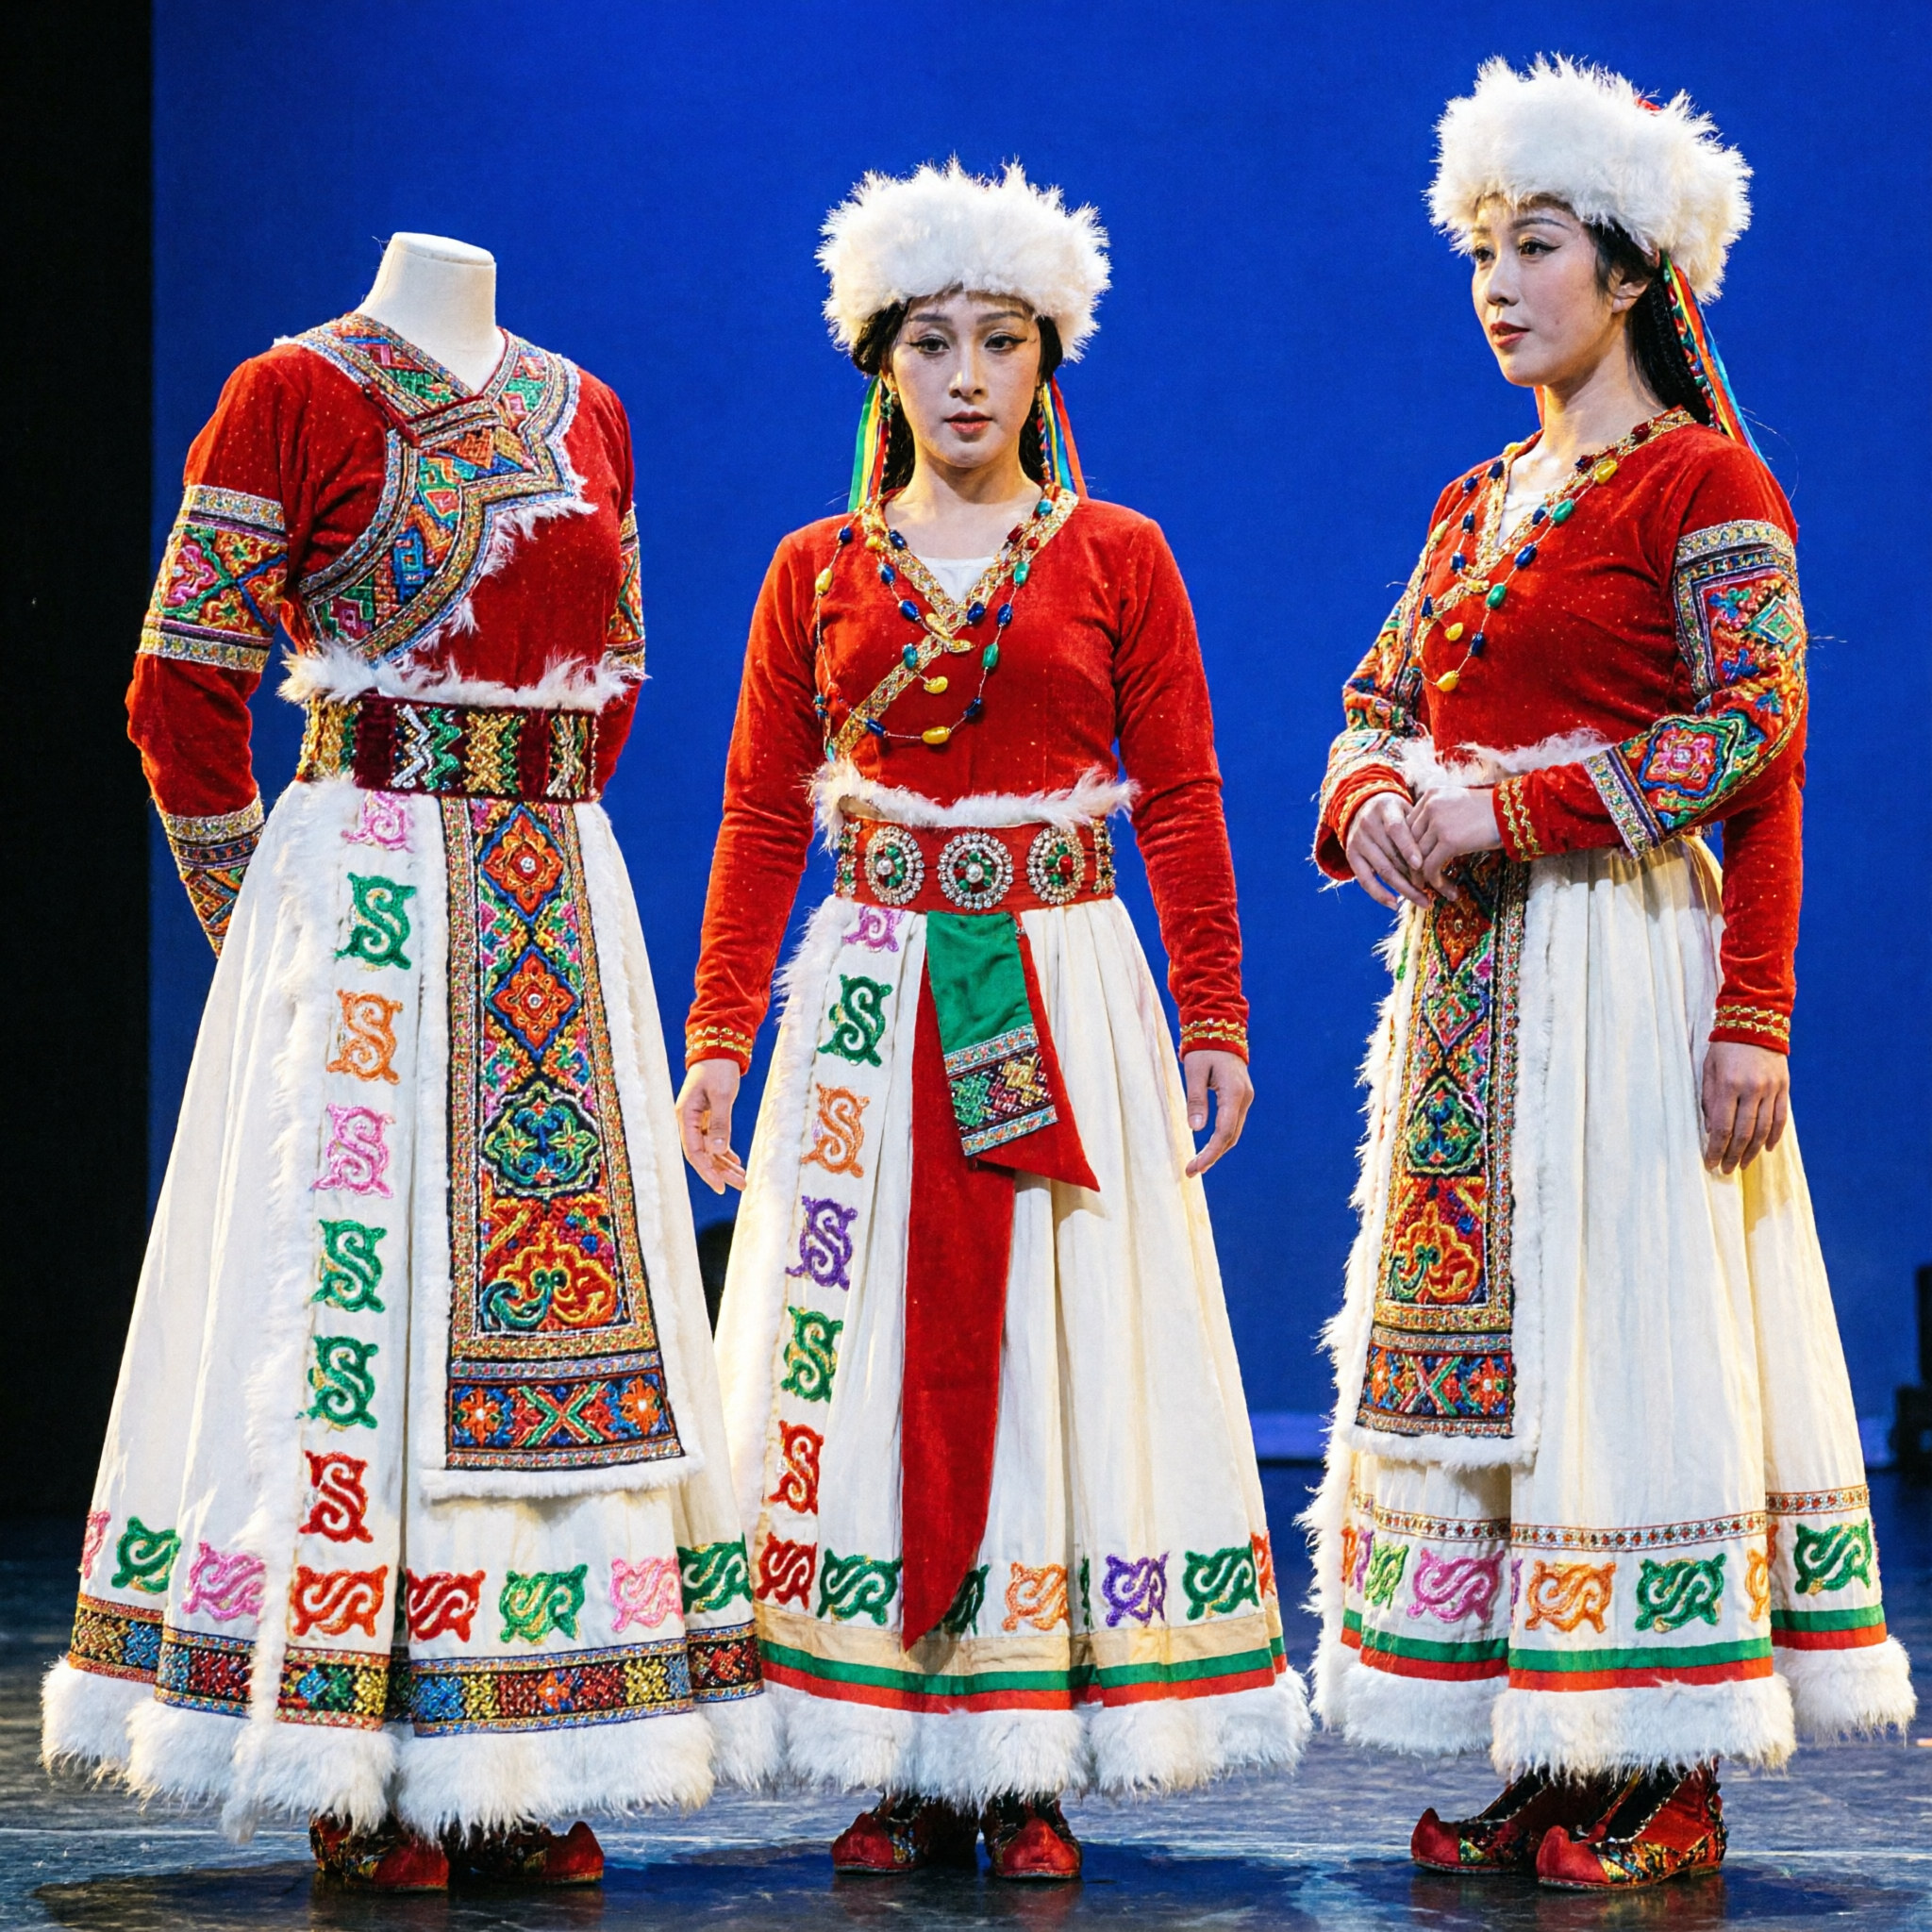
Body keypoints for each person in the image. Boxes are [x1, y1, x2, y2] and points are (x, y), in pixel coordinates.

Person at [42, 233, 771, 1890]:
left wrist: (540, 829)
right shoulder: (289, 395)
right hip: (362, 881)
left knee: (551, 1299)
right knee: (359, 1298)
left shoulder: (591, 410)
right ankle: (354, 1754)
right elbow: (178, 689)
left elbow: (622, 668)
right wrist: (263, 925)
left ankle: (531, 1739)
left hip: (552, 890)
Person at [1309, 59, 1912, 1890]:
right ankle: (1543, 1725)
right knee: (1500, 1354)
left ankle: (1662, 1761)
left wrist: (1751, 1010)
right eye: (1481, 249)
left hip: (1627, 962)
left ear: (1635, 270)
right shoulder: (1477, 495)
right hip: (1472, 989)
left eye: (1538, 245)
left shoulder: (1702, 483)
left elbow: (1757, 729)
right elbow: (1375, 703)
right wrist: (1377, 803)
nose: (1499, 282)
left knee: (1622, 1339)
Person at [678, 161, 1307, 1882]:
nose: (968, 376)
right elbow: (754, 813)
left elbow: (1179, 794)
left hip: (1061, 984)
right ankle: (890, 1746)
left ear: (1050, 363)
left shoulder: (1120, 557)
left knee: (1048, 1348)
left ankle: (1025, 1753)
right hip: (879, 998)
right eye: (934, 341)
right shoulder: (817, 569)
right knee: (871, 1351)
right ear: (881, 362)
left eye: (1004, 342)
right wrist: (722, 1033)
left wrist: (1215, 1015)